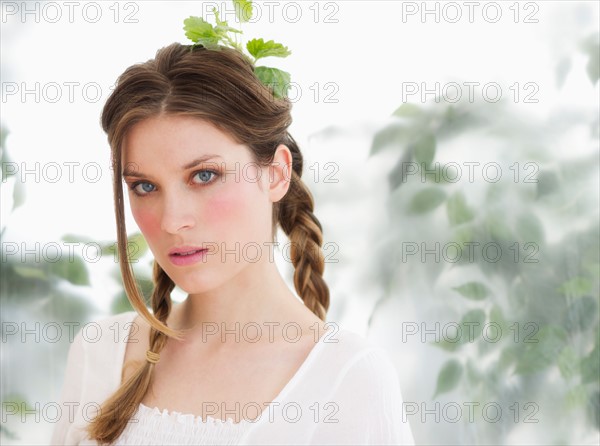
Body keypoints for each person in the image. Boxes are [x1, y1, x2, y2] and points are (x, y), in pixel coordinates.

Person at [50, 42, 415, 445]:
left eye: (204, 176)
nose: (172, 220)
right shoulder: (100, 353)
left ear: (275, 174)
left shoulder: (351, 381)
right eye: (144, 186)